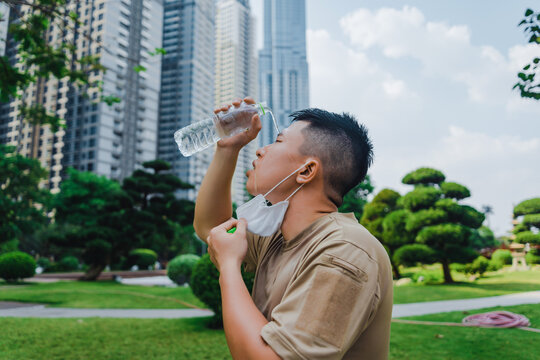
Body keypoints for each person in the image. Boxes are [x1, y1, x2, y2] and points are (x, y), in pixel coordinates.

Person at [193, 97, 393, 360]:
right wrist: (228, 150)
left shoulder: (345, 249)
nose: (259, 150)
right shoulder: (280, 236)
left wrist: (229, 266)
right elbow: (213, 229)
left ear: (306, 170)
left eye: (277, 141)